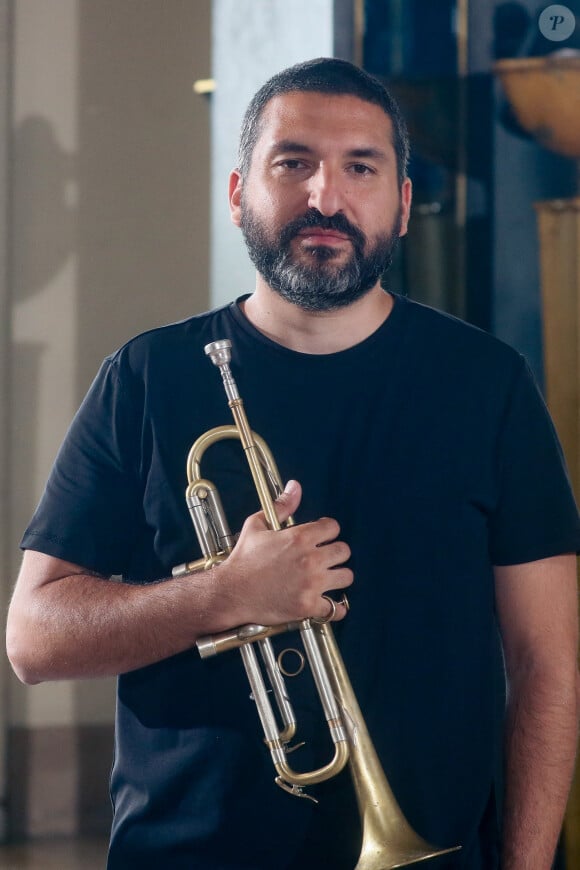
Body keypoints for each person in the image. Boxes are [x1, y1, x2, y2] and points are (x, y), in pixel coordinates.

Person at [6, 57, 580, 870]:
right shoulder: (146, 379)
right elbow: (34, 639)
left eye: (361, 168)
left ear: (404, 204)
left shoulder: (487, 387)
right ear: (239, 191)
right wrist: (223, 594)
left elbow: (548, 665)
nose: (326, 197)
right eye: (294, 163)